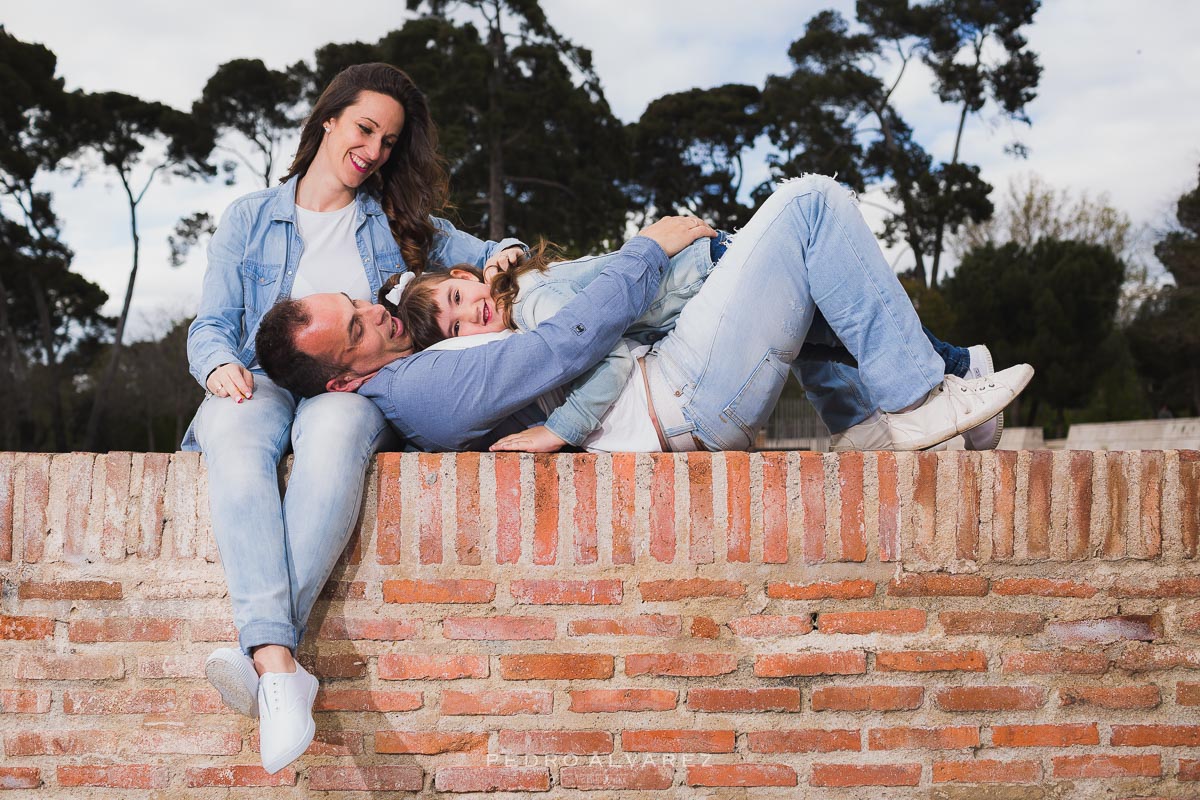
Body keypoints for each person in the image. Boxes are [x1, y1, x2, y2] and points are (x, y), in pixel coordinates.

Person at [183, 63, 524, 774]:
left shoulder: (395, 223)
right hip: (259, 372)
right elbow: (211, 323)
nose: (374, 149)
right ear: (329, 119)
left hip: (352, 386)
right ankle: (282, 669)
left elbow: (489, 253)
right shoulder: (251, 216)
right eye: (365, 128)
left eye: (390, 141)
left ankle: (268, 662)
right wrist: (218, 366)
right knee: (236, 436)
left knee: (337, 435)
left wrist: (506, 259)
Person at [255, 176, 1032, 455]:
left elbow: (539, 327)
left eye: (360, 305)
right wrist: (647, 252)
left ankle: (911, 405)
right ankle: (920, 397)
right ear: (342, 384)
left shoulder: (418, 361)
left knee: (817, 275)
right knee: (809, 204)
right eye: (355, 329)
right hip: (681, 396)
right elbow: (568, 346)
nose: (375, 316)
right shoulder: (418, 388)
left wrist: (503, 270)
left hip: (678, 378)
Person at [378, 233, 1004, 453]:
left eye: (457, 300)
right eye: (456, 329)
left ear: (464, 277)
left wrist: (562, 428)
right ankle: (940, 385)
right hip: (702, 284)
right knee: (833, 339)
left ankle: (955, 371)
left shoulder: (537, 303)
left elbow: (614, 350)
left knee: (838, 329)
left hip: (705, 278)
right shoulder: (528, 311)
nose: (470, 317)